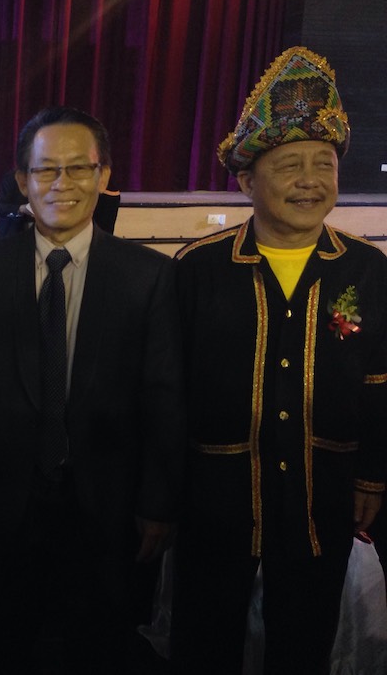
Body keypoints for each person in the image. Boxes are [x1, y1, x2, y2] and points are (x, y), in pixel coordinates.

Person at [171, 47, 387, 675]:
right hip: (214, 502)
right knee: (203, 642)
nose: (310, 180)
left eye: (323, 164)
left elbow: (379, 383)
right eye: (289, 165)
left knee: (304, 644)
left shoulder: (367, 270)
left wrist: (373, 478)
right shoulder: (199, 269)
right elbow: (169, 390)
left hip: (324, 495)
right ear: (246, 181)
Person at [0, 107, 185, 673]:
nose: (62, 184)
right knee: (6, 643)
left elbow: (163, 395)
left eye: (78, 169)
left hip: (109, 507)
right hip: (4, 502)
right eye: (46, 170)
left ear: (103, 174)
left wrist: (158, 503)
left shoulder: (148, 275)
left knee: (100, 647)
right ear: (22, 180)